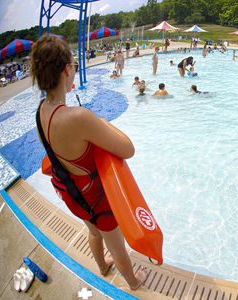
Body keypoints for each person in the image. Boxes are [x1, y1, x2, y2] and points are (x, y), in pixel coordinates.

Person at [31, 36, 149, 290]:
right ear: (66, 70)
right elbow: (128, 149)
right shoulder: (78, 117)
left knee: (94, 232)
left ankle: (102, 266)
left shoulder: (42, 111)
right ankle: (133, 281)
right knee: (115, 243)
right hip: (95, 198)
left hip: (71, 192)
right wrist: (100, 122)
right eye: (73, 64)